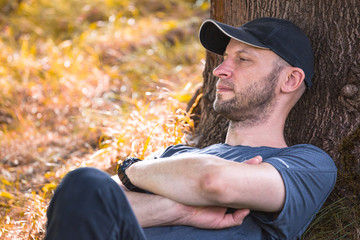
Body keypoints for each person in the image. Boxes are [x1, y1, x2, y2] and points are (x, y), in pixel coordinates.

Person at [45, 17, 337, 240]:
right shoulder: (177, 154)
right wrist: (178, 209)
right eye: (224, 59)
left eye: (244, 59)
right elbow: (77, 205)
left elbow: (213, 180)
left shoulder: (307, 164)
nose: (219, 70)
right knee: (81, 185)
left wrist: (131, 171)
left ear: (289, 80)